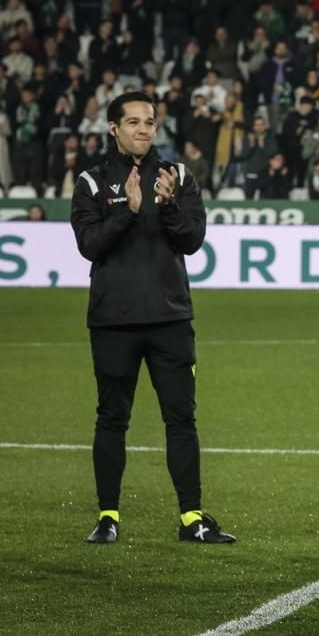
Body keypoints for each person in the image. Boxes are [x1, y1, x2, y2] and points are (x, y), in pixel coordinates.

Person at [70, 91, 235, 546]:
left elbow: (193, 240)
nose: (144, 130)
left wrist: (167, 206)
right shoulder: (90, 180)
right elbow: (90, 244)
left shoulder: (177, 176)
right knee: (111, 418)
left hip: (169, 318)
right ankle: (107, 517)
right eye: (135, 122)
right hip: (113, 320)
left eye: (150, 123)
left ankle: (192, 518)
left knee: (181, 419)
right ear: (114, 129)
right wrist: (129, 209)